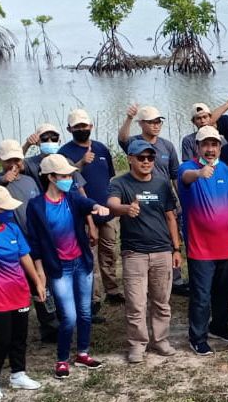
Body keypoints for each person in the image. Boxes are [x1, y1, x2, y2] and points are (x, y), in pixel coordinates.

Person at [27, 154, 109, 377]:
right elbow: (34, 242)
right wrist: (40, 272)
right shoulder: (36, 206)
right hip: (58, 268)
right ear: (51, 177)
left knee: (84, 313)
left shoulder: (72, 198)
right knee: (69, 316)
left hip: (81, 263)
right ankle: (62, 359)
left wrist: (96, 206)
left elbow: (86, 203)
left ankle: (83, 353)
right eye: (64, 175)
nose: (69, 179)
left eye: (69, 175)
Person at [107, 139, 183, 364]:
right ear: (130, 159)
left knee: (161, 301)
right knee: (136, 303)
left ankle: (160, 340)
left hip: (162, 252)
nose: (147, 162)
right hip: (134, 253)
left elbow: (171, 216)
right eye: (141, 158)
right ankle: (137, 345)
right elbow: (111, 204)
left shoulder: (162, 184)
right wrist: (125, 208)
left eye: (151, 158)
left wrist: (176, 249)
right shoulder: (120, 183)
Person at [0, 186, 47, 401]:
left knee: (19, 337)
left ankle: (18, 374)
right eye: (5, 208)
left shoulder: (12, 229)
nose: (10, 212)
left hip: (20, 292)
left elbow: (25, 257)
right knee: (1, 340)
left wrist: (38, 282)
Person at [0, 139, 60, 346]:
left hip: (35, 241)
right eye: (8, 160)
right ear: (0, 160)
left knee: (43, 285)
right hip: (9, 247)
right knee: (15, 286)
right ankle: (10, 329)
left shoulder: (28, 181)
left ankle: (50, 325)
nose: (13, 164)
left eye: (17, 159)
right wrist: (4, 181)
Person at [177, 127, 228, 354]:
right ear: (197, 147)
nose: (210, 149)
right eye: (206, 144)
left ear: (219, 147)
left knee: (225, 291)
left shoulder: (224, 168)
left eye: (214, 145)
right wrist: (199, 173)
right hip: (201, 246)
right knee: (201, 295)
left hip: (226, 244)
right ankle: (197, 336)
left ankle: (219, 326)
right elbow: (185, 178)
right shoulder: (188, 168)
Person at [60, 109, 120, 309]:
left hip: (107, 211)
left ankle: (112, 289)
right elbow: (66, 181)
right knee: (89, 256)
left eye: (84, 126)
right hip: (82, 213)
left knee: (109, 252)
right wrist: (81, 164)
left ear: (91, 126)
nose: (81, 129)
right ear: (69, 129)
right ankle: (93, 298)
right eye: (77, 127)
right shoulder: (64, 153)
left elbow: (110, 178)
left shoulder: (102, 149)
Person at [118, 105, 181, 183]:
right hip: (140, 191)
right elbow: (122, 139)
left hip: (163, 191)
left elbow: (175, 175)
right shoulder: (134, 142)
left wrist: (180, 194)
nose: (156, 126)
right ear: (141, 123)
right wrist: (129, 118)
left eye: (158, 122)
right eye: (151, 122)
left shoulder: (168, 145)